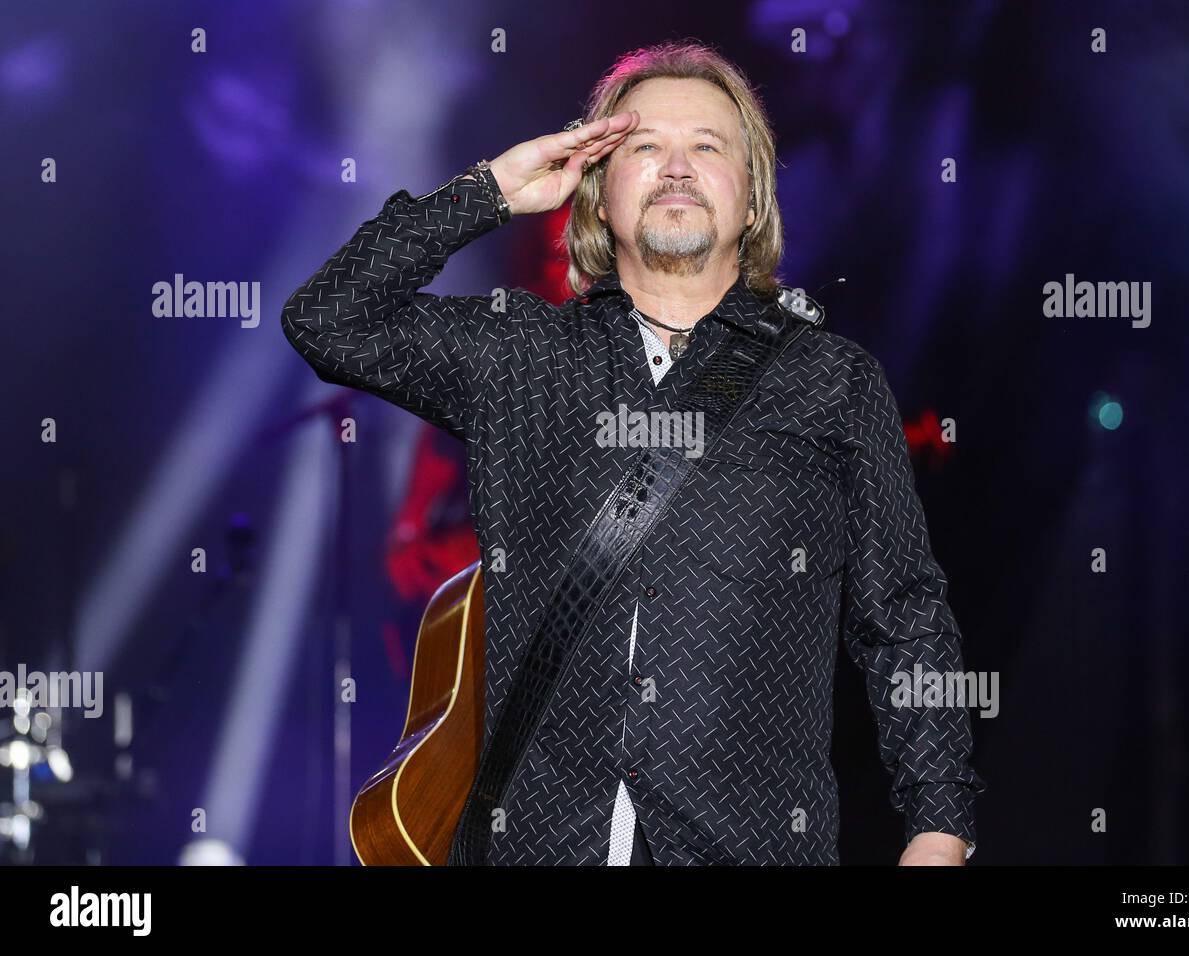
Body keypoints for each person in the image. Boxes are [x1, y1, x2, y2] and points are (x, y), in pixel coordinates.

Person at [282, 40, 985, 865]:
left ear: (753, 201)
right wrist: (489, 191)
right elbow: (328, 320)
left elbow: (904, 617)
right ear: (597, 198)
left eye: (708, 147)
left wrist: (939, 830)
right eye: (645, 146)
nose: (677, 167)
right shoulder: (520, 354)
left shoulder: (832, 381)